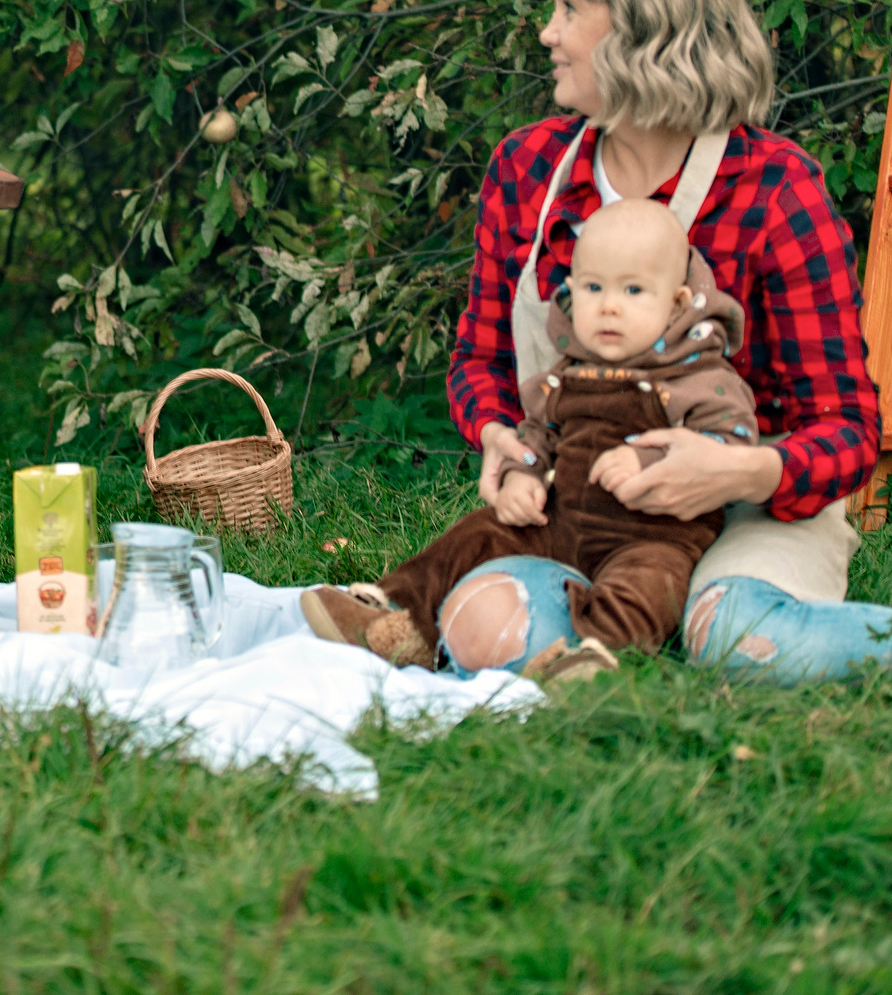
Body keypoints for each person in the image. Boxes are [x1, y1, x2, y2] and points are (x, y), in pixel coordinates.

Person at [373, 0, 892, 684]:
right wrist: (499, 438)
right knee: (483, 626)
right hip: (579, 511)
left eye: (569, 6)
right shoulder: (528, 170)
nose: (547, 30)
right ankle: (602, 646)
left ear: (644, 27)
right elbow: (478, 359)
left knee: (735, 637)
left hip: (749, 508)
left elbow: (849, 429)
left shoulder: (776, 188)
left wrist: (736, 472)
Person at [304, 200, 765, 684]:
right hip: (562, 524)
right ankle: (395, 615)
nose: (609, 305)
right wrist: (524, 475)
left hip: (654, 536)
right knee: (480, 533)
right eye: (593, 288)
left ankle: (593, 658)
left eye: (633, 290)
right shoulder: (570, 371)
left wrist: (649, 457)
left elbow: (731, 443)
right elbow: (539, 434)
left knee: (649, 588)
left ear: (675, 303)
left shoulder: (699, 374)